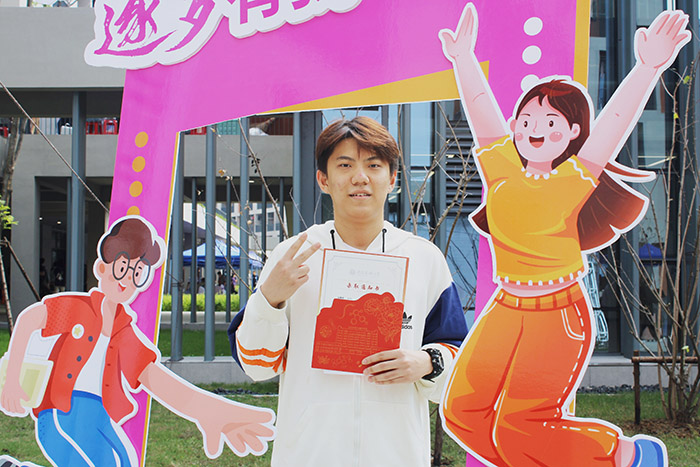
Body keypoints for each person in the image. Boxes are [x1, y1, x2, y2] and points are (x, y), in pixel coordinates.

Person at [438, 5, 690, 467]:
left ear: (572, 132)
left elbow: (613, 124)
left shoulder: (574, 179)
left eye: (551, 123)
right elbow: (480, 109)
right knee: (462, 414)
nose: (535, 129)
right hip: (506, 309)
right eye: (528, 120)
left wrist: (647, 68)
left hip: (556, 316)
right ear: (516, 126)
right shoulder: (501, 169)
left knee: (520, 428)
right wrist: (463, 59)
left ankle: (627, 454)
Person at [228, 116, 468, 466]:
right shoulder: (292, 256)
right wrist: (270, 298)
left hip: (396, 454)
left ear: (393, 179)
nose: (360, 177)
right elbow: (256, 365)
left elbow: (458, 356)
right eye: (345, 165)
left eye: (374, 165)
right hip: (309, 454)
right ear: (323, 179)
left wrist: (426, 362)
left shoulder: (423, 259)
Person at [1, 216, 274, 466]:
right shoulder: (77, 309)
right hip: (58, 412)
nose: (128, 280)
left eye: (138, 273)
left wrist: (210, 411)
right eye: (122, 268)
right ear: (101, 267)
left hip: (99, 415)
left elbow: (156, 379)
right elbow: (30, 320)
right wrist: (12, 380)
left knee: (124, 462)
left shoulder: (124, 332)